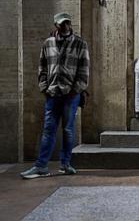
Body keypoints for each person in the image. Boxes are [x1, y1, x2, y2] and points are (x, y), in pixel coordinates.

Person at [20, 12, 90, 179]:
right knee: (48, 130)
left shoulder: (80, 44)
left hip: (70, 95)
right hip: (52, 93)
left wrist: (76, 90)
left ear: (70, 24)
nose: (65, 26)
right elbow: (42, 68)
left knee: (68, 130)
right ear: (56, 25)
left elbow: (84, 70)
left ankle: (65, 164)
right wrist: (44, 88)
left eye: (67, 23)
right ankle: (41, 166)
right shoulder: (48, 43)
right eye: (62, 24)